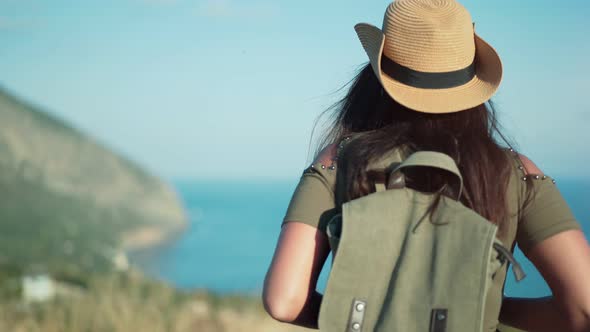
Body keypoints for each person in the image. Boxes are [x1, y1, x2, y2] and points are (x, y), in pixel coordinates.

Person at [262, 0, 590, 331]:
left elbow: (284, 300)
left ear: (376, 78)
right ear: (472, 84)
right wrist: (485, 309)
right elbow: (584, 308)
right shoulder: (515, 173)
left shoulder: (340, 160)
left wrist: (366, 315)